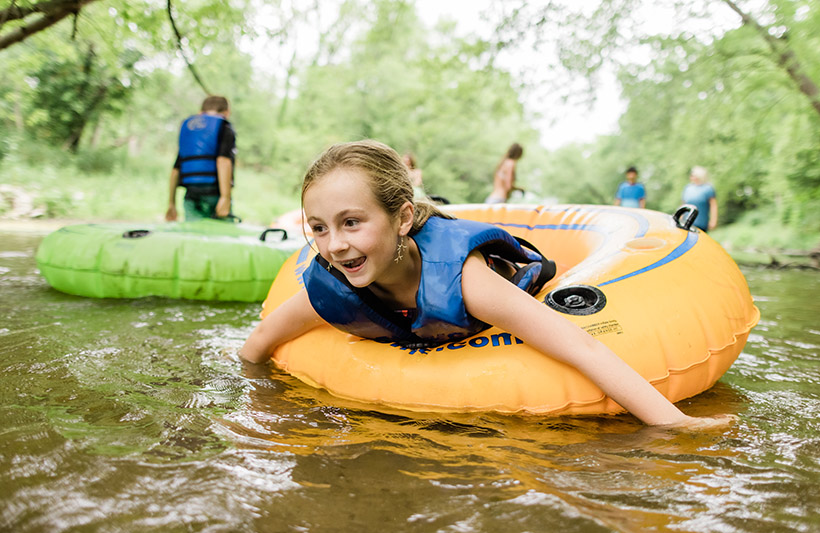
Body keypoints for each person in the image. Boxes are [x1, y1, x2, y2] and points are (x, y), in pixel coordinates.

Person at [240, 140, 732, 429]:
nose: (334, 246)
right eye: (319, 228)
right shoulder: (332, 287)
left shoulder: (465, 280)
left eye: (352, 223)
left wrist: (674, 425)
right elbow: (258, 343)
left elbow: (582, 347)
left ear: (403, 217)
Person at [166, 96, 236, 221]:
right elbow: (223, 161)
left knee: (194, 235)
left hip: (191, 195)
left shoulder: (188, 130)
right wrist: (225, 197)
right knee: (222, 236)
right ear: (227, 112)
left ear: (200, 112)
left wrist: (171, 203)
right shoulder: (224, 126)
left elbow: (175, 169)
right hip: (215, 193)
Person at [682, 166, 718, 232]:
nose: (691, 177)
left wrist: (713, 221)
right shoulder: (688, 188)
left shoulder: (708, 188)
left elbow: (713, 206)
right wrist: (680, 217)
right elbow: (683, 205)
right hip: (686, 222)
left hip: (701, 223)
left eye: (693, 175)